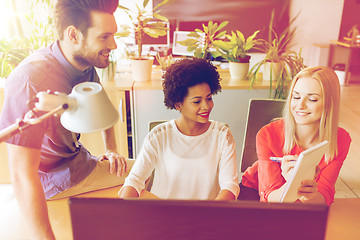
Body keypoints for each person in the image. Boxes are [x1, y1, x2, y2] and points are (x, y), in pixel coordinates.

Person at [0, 0, 131, 239]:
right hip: (56, 181)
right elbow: (21, 174)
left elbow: (105, 110)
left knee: (141, 173)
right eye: (104, 37)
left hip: (79, 162)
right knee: (146, 172)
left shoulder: (85, 63)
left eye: (113, 35)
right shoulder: (30, 81)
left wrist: (111, 149)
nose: (113, 45)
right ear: (73, 35)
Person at [119, 58, 240, 200]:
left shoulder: (222, 136)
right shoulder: (159, 136)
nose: (206, 106)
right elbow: (134, 180)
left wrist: (210, 215)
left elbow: (230, 186)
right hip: (163, 215)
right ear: (178, 105)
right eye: (197, 101)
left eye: (209, 98)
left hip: (208, 216)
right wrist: (122, 210)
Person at [240, 66, 351, 205]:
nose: (300, 105)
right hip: (255, 193)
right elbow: (269, 198)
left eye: (312, 99)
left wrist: (305, 193)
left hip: (300, 201)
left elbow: (324, 196)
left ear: (330, 104)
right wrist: (292, 182)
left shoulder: (340, 139)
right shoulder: (267, 135)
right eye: (296, 96)